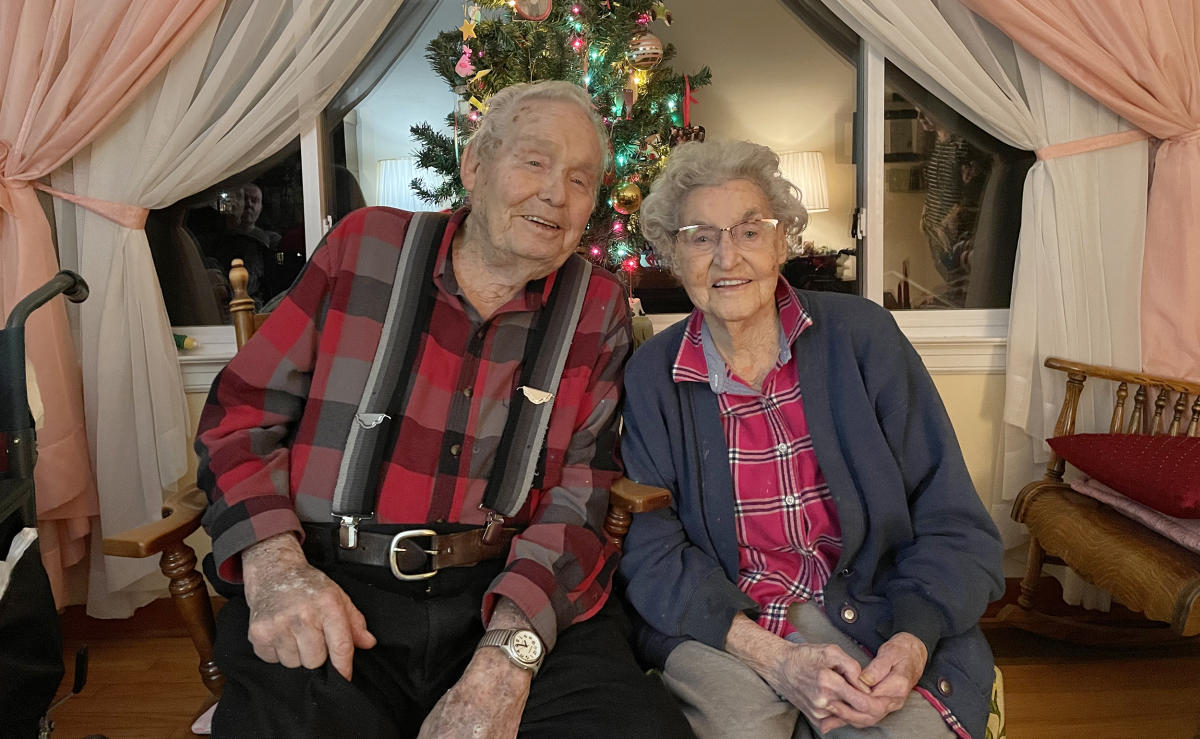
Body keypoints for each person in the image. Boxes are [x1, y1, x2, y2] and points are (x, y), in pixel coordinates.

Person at [194, 80, 692, 738]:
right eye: (535, 161)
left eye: (580, 179)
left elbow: (580, 495)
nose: (555, 193)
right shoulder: (364, 247)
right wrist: (276, 567)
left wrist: (505, 660)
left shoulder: (595, 307)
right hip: (334, 578)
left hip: (501, 591)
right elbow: (239, 414)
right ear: (474, 165)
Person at [619, 140, 1004, 738]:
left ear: (782, 242)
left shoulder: (862, 337)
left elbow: (951, 516)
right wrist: (771, 656)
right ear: (674, 253)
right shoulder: (654, 376)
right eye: (700, 236)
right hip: (728, 628)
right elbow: (650, 550)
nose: (727, 257)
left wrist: (912, 638)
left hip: (870, 612)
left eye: (749, 231)